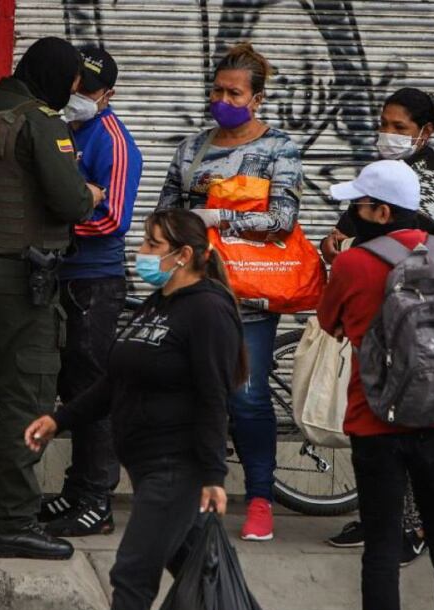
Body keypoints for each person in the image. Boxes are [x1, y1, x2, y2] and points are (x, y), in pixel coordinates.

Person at [25, 209, 243, 610]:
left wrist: (215, 475)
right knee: (206, 577)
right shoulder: (158, 304)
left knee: (132, 575)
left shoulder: (208, 310)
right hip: (146, 467)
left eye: (152, 244)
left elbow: (214, 395)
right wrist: (59, 420)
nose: (141, 251)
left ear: (183, 255)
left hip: (175, 467)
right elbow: (114, 382)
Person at [0, 36, 101, 560]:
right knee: (24, 397)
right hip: (20, 277)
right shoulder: (39, 122)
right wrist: (90, 194)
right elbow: (70, 201)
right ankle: (14, 521)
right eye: (74, 80)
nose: (74, 91)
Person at [317, 160, 434, 610]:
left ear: (382, 212)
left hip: (375, 417)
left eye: (358, 205)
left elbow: (328, 322)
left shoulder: (352, 263)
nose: (352, 213)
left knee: (382, 543)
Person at [157, 42, 303, 541]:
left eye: (234, 93)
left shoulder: (279, 149)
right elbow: (165, 215)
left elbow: (283, 220)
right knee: (188, 395)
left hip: (249, 296)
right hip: (193, 293)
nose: (222, 100)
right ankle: (190, 495)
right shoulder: (191, 149)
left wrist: (216, 215)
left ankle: (260, 499)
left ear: (257, 98)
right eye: (217, 90)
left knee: (247, 398)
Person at [323, 87, 434, 564]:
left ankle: (414, 525)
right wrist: (339, 242)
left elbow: (407, 231)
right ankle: (379, 516)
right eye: (384, 124)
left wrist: (354, 247)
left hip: (417, 313)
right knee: (380, 418)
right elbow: (347, 229)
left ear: (426, 131)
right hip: (375, 311)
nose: (388, 134)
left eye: (399, 127)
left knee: (410, 417)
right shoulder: (382, 173)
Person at [38, 46, 143, 537]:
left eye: (89, 89)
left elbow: (113, 218)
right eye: (74, 84)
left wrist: (53, 229)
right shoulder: (59, 127)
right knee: (70, 390)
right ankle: (76, 490)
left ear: (108, 95)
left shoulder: (113, 141)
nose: (78, 94)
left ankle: (97, 500)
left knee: (92, 390)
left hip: (94, 282)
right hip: (60, 275)